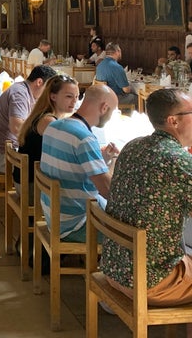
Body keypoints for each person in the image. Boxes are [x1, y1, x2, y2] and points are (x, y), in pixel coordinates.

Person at [101, 88, 192, 305]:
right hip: (152, 281)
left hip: (115, 268)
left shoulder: (133, 146)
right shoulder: (178, 161)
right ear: (174, 121)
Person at [39, 84, 119, 242]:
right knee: (139, 236)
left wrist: (103, 159)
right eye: (112, 111)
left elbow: (72, 168)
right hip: (76, 224)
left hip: (54, 216)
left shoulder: (54, 126)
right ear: (104, 107)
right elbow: (107, 190)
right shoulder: (84, 138)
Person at [13, 74, 80, 194]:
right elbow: (68, 153)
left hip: (26, 180)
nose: (75, 101)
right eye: (69, 96)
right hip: (31, 187)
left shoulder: (44, 115)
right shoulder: (48, 121)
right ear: (53, 96)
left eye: (77, 96)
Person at [0, 65, 57, 172]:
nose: (49, 94)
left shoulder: (23, 89)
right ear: (39, 82)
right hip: (3, 156)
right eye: (49, 89)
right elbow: (16, 127)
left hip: (7, 148)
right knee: (47, 169)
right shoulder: (20, 94)